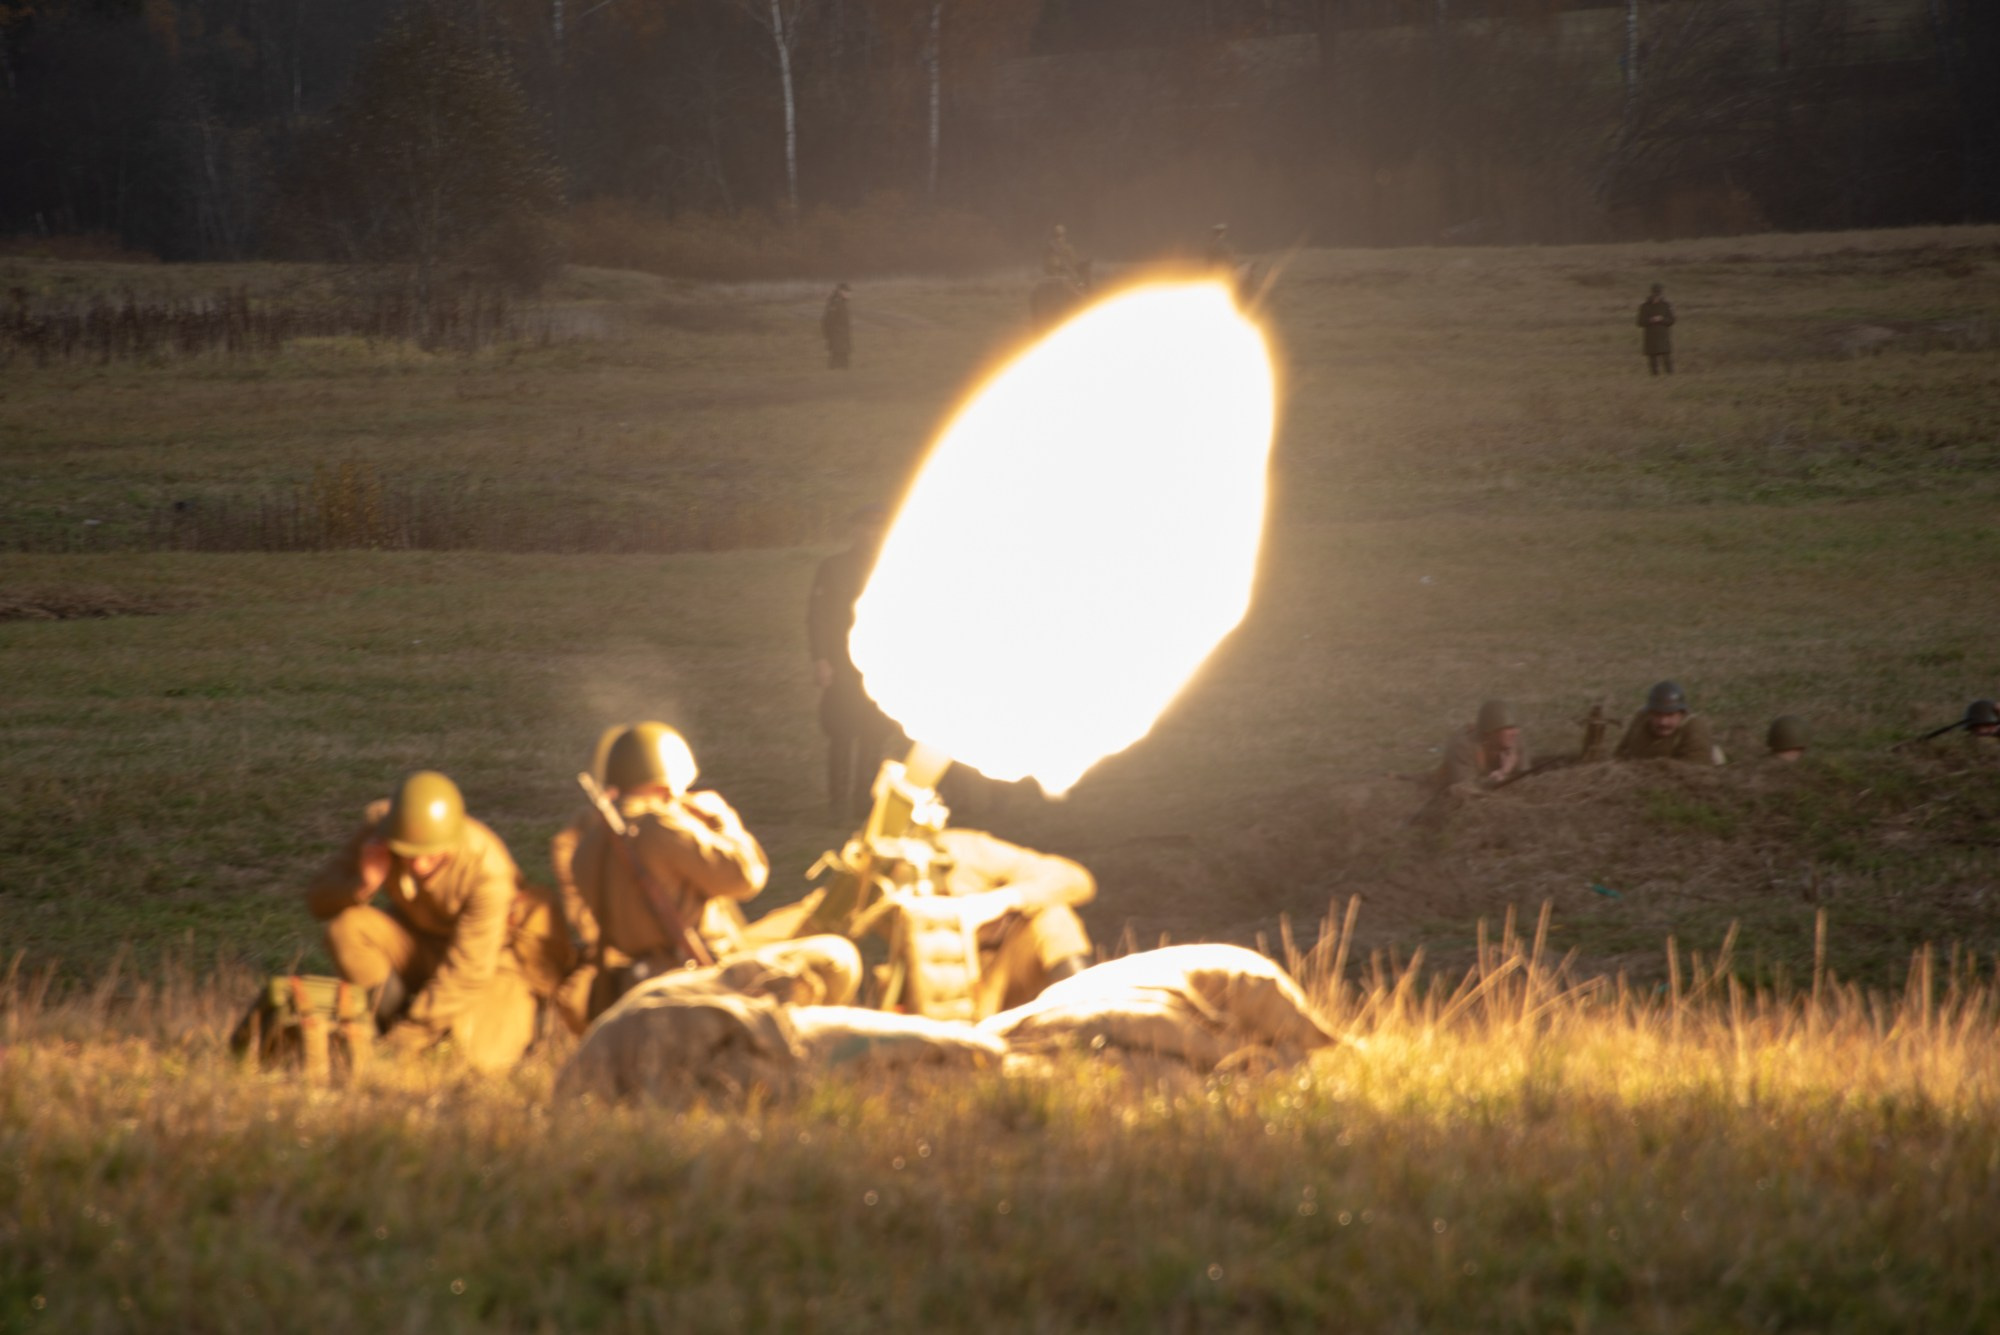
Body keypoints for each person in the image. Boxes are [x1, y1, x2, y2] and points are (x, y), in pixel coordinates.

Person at [552, 721, 858, 1028]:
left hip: (634, 979)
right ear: (666, 786)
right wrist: (722, 818)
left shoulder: (587, 847)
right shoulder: (660, 826)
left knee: (798, 918)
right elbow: (747, 877)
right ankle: (795, 1047)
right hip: (701, 977)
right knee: (838, 957)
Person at [306, 770, 570, 1071]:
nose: (418, 865)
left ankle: (501, 1017)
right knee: (347, 930)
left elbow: (468, 970)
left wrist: (404, 1041)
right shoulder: (382, 832)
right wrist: (362, 885)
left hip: (490, 962)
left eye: (431, 855)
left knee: (474, 1058)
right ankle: (387, 1019)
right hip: (421, 943)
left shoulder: (488, 873)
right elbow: (318, 901)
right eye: (408, 852)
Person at [894, 826, 1096, 1019]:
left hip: (997, 977)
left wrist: (1004, 899)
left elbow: (1076, 879)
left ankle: (1090, 1017)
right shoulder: (873, 876)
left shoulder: (964, 850)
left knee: (1054, 918)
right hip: (937, 996)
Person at [807, 504, 897, 819]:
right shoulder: (834, 568)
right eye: (865, 526)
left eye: (878, 527)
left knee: (874, 734)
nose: (871, 533)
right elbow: (817, 617)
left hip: (883, 664)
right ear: (854, 530)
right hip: (842, 662)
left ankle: (865, 803)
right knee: (842, 733)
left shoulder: (898, 565)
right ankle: (838, 804)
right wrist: (821, 659)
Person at [1613, 680, 1724, 765]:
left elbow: (1694, 774)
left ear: (1682, 713)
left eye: (1670, 715)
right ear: (1649, 712)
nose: (1663, 722)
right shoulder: (1641, 718)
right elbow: (1621, 753)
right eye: (1657, 714)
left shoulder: (1694, 728)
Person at [1433, 699, 1532, 793]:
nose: (1515, 733)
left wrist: (1505, 773)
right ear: (1490, 732)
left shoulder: (1515, 741)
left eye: (1515, 727)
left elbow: (1526, 780)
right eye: (1508, 728)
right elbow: (1463, 789)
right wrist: (1499, 776)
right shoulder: (1463, 746)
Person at [1637, 283, 1675, 375]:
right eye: (1655, 293)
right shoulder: (1645, 306)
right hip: (1651, 336)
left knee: (1666, 358)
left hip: (1663, 335)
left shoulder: (1666, 305)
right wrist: (1650, 320)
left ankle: (1670, 375)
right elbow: (1640, 322)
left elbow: (1671, 320)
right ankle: (1655, 377)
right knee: (1652, 359)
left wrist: (1662, 319)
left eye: (1658, 294)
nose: (1657, 296)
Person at [821, 282, 852, 370]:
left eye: (849, 292)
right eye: (847, 292)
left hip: (842, 339)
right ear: (841, 291)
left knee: (843, 364)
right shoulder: (835, 303)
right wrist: (829, 336)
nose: (849, 294)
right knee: (836, 363)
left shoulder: (841, 302)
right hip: (837, 339)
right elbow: (827, 321)